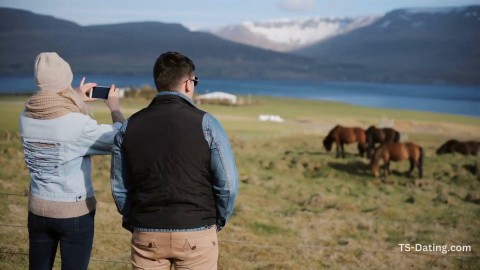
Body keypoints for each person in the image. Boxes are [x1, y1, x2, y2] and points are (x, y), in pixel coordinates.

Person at [111, 51, 239, 270]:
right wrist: (217, 220)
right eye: (195, 81)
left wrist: (136, 220)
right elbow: (228, 184)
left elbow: (120, 187)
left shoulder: (129, 126)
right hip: (197, 231)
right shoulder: (207, 124)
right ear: (188, 84)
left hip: (146, 232)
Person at [19, 52, 125, 270]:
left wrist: (75, 97)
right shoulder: (76, 123)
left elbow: (50, 107)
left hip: (37, 209)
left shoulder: (26, 115)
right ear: (65, 80)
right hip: (73, 212)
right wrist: (114, 106)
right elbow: (121, 137)